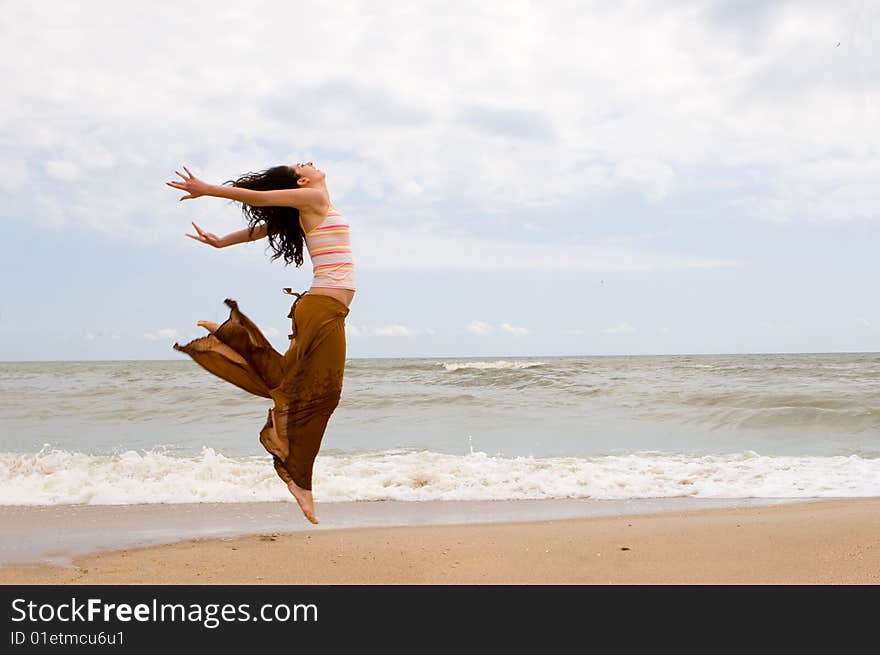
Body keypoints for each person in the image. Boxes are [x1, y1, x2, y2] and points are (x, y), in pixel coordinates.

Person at [165, 163, 355, 524]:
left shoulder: (313, 207)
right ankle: (300, 481)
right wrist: (208, 189)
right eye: (303, 165)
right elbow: (258, 197)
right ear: (302, 181)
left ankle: (231, 334)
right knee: (323, 394)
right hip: (322, 307)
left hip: (324, 308)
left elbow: (263, 230)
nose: (310, 164)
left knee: (290, 378)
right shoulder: (313, 197)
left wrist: (222, 241)